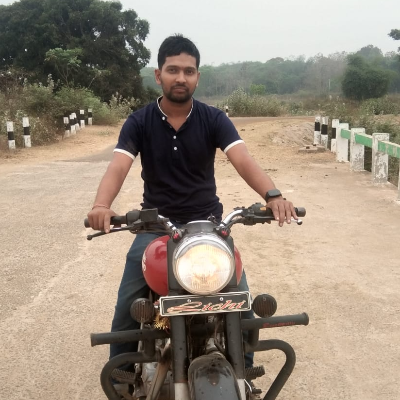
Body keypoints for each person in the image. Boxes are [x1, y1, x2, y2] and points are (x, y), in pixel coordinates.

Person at [87, 34, 297, 373]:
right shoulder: (139, 121)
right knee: (129, 303)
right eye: (173, 70)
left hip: (209, 227)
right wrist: (101, 205)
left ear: (198, 76)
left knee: (240, 300)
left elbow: (243, 159)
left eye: (188, 71)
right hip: (155, 227)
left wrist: (273, 196)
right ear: (159, 75)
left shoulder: (214, 119)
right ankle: (122, 374)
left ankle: (243, 375)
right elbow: (118, 166)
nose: (181, 78)